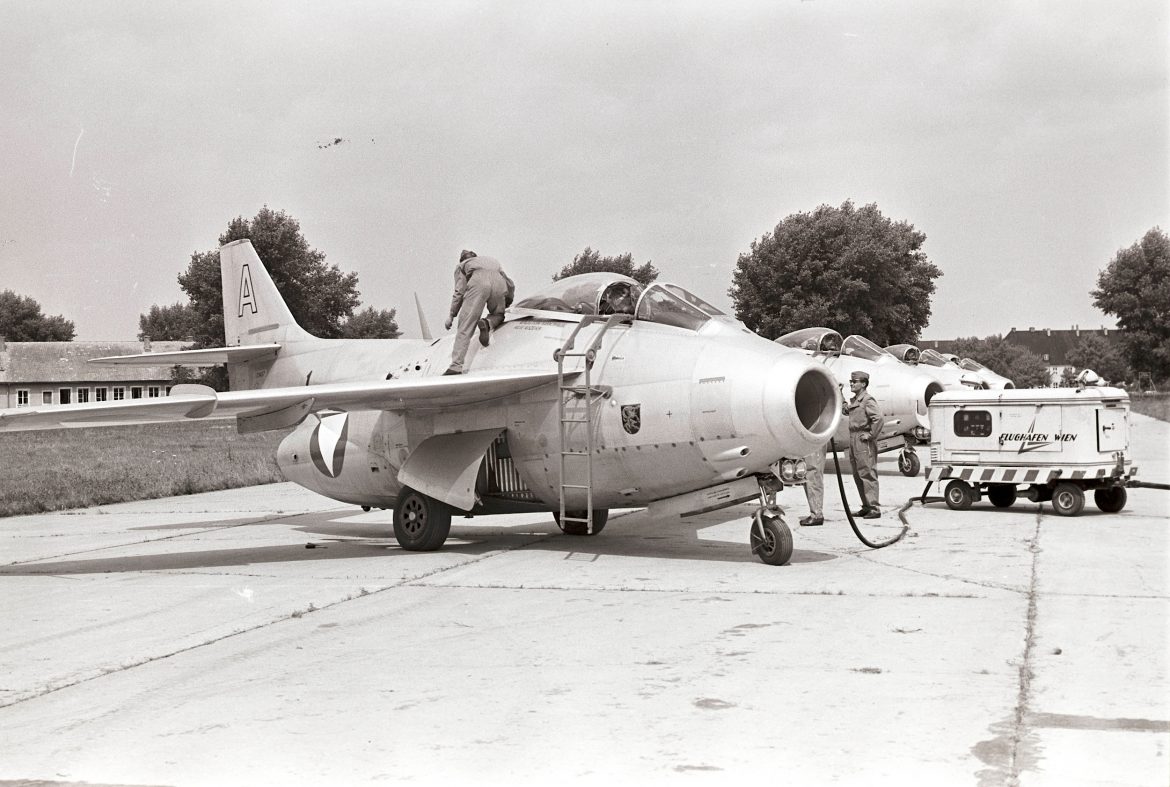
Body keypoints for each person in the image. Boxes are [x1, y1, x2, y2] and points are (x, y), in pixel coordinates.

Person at [443, 250, 510, 375]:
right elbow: (509, 283)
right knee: (499, 315)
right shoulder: (492, 260)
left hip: (479, 281)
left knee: (466, 325)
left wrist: (452, 315)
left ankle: (456, 366)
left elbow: (459, 291)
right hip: (499, 282)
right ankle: (488, 323)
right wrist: (508, 300)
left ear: (462, 259)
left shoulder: (461, 266)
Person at [844, 370, 884, 518]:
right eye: (851, 381)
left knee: (867, 473)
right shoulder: (856, 400)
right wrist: (839, 393)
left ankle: (874, 508)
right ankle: (866, 506)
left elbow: (878, 418)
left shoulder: (867, 400)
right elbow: (845, 410)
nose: (852, 384)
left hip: (863, 440)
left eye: (855, 382)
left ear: (863, 383)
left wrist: (871, 435)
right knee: (858, 474)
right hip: (854, 439)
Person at [799, 441, 827, 527]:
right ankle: (816, 512)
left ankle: (817, 514)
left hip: (814, 441)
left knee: (813, 474)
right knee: (810, 475)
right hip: (811, 441)